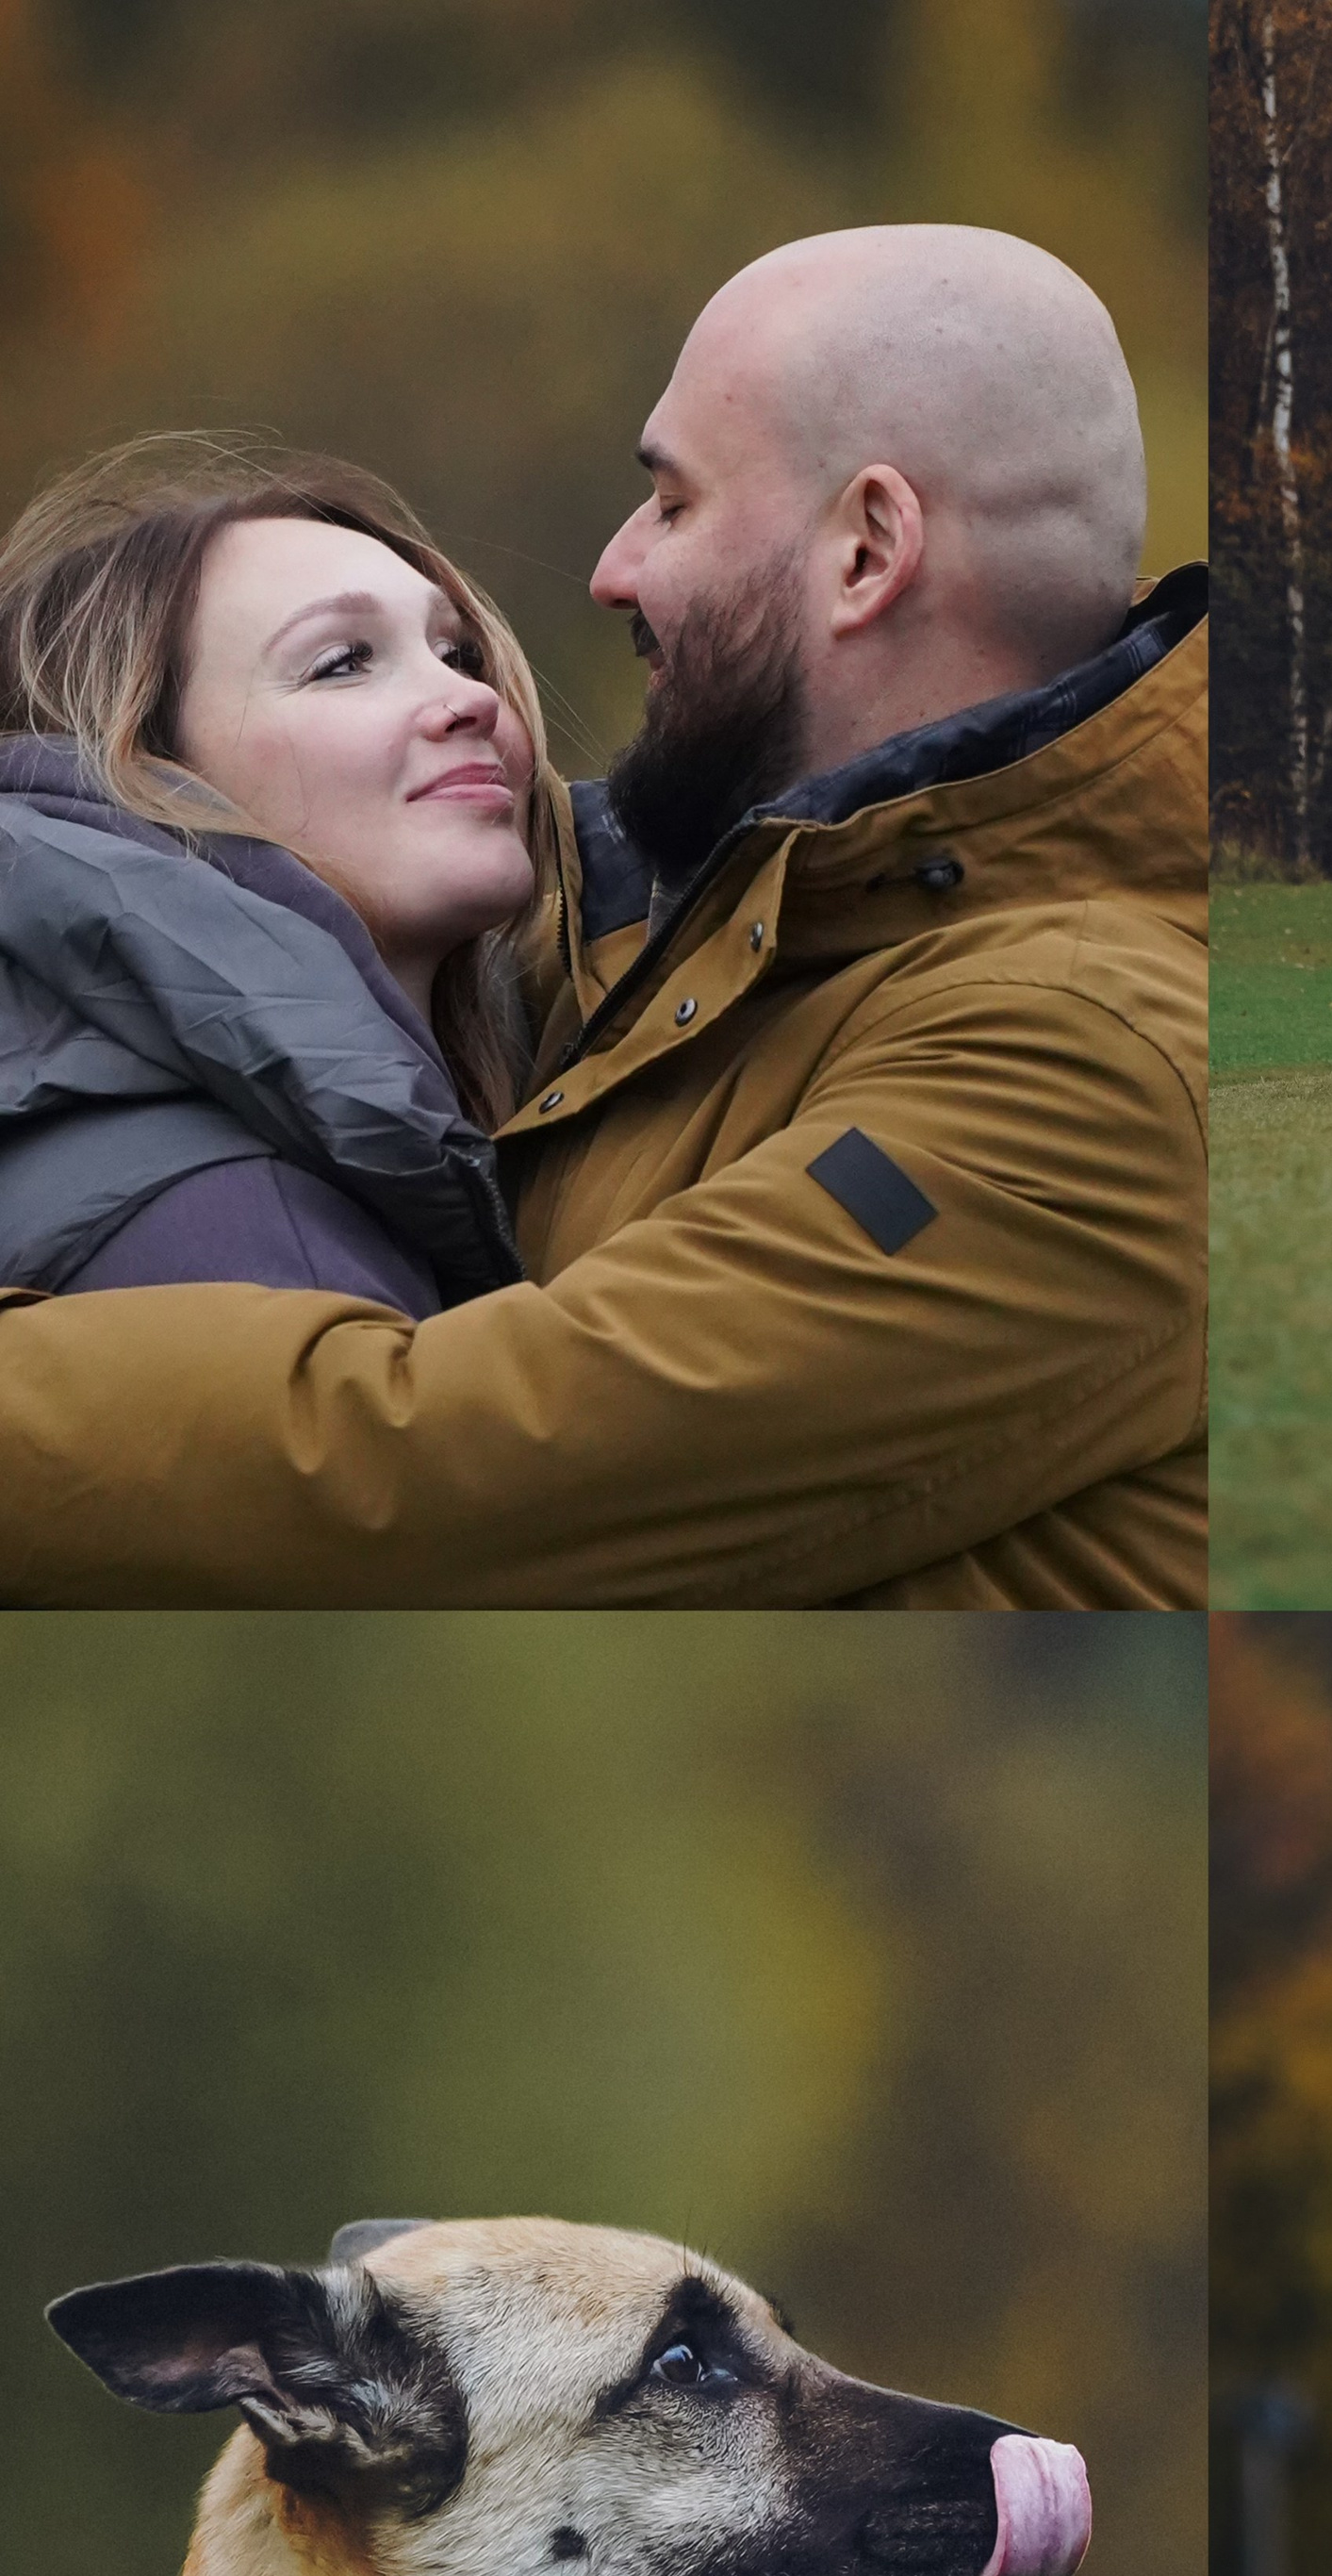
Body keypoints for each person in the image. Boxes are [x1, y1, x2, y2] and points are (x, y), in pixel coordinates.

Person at [0, 223, 1206, 1609]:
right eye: (345, 663)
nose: (611, 571)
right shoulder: (698, 939)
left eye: (676, 504)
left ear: (868, 552)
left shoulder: (1087, 1063)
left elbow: (444, 1483)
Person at [0, 441, 538, 1312]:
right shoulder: (242, 1237)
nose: (470, 698)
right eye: (343, 662)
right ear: (147, 773)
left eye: (460, 652)